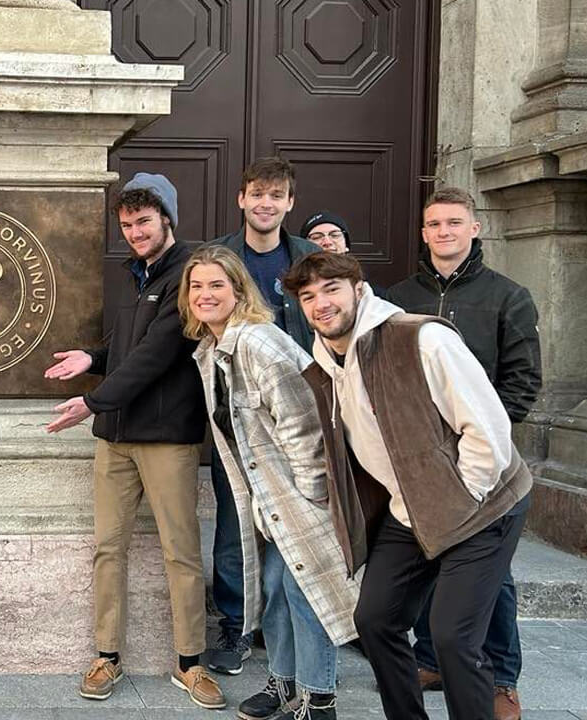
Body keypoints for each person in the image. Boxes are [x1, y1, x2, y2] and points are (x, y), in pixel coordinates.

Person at [287, 251, 532, 720]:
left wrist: (463, 496)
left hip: (484, 505)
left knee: (453, 636)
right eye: (308, 296)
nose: (321, 303)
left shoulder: (420, 339)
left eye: (331, 289)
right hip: (412, 507)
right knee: (375, 620)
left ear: (359, 290)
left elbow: (489, 429)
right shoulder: (327, 361)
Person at [45, 173, 222, 709]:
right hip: (116, 438)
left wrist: (93, 399)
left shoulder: (190, 274)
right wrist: (93, 359)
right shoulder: (135, 274)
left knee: (181, 553)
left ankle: (191, 664)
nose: (135, 232)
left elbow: (157, 353)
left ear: (167, 217)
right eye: (127, 224)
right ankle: (106, 656)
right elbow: (127, 345)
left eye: (144, 221)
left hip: (166, 438)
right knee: (108, 549)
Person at [182, 246, 359, 720]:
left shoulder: (261, 342)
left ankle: (319, 698)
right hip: (267, 493)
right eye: (197, 286)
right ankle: (283, 685)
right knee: (277, 587)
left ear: (239, 292)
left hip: (302, 489)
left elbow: (305, 423)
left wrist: (311, 495)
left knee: (307, 591)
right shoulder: (210, 352)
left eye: (217, 285)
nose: (205, 294)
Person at [385, 187, 542, 720]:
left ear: (475, 229)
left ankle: (501, 678)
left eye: (454, 222)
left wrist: (484, 443)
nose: (444, 232)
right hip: (419, 461)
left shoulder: (507, 296)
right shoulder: (398, 298)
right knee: (431, 554)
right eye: (434, 224)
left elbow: (522, 383)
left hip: (485, 461)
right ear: (423, 233)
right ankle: (430, 659)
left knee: (491, 576)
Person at [204, 157, 322, 675]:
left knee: (298, 524)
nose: (265, 203)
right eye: (257, 194)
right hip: (236, 417)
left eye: (276, 196)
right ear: (242, 199)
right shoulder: (218, 258)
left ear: (290, 203)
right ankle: (236, 628)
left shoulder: (310, 259)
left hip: (296, 415)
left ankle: (296, 626)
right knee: (233, 529)